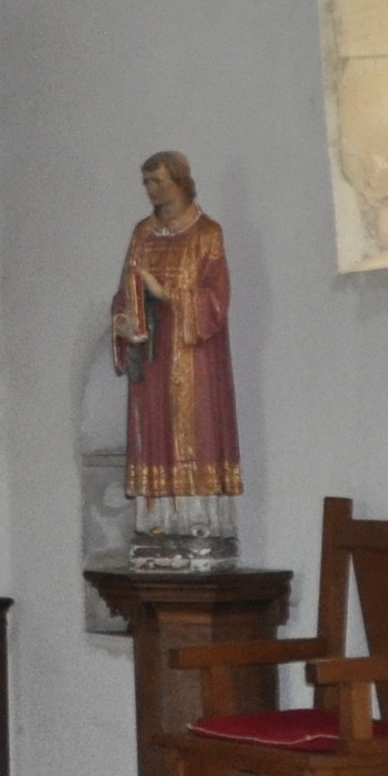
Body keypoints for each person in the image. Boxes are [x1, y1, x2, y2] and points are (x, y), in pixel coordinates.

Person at [109, 150, 240, 569]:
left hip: (194, 356)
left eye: (159, 182)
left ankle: (199, 522)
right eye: (147, 183)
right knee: (154, 427)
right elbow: (123, 293)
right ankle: (157, 523)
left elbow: (216, 300)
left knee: (194, 427)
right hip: (151, 357)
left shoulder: (207, 233)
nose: (152, 190)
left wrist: (167, 295)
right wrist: (124, 322)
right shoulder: (142, 233)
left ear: (181, 182)